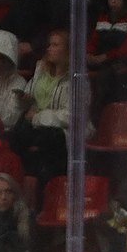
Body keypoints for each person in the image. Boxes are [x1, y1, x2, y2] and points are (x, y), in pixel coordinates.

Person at [10, 29, 80, 190]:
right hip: (36, 126)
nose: (49, 49)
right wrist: (24, 100)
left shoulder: (76, 80)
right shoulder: (41, 71)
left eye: (55, 45)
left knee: (45, 143)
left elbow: (72, 116)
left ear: (67, 50)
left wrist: (39, 117)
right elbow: (31, 101)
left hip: (61, 131)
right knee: (13, 136)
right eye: (49, 45)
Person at [86, 0, 127, 110]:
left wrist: (107, 56)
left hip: (120, 63)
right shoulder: (103, 19)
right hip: (100, 62)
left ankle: (103, 111)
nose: (113, 1)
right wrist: (89, 54)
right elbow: (94, 40)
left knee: (107, 78)